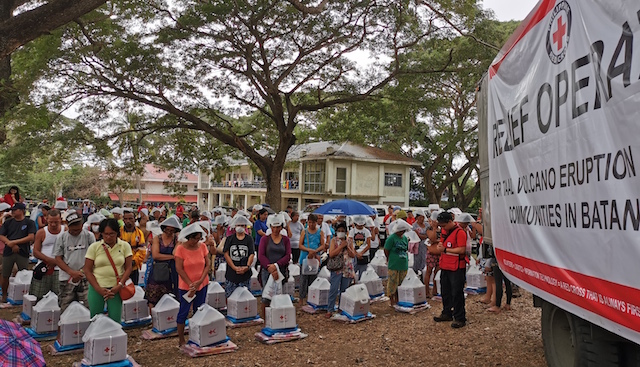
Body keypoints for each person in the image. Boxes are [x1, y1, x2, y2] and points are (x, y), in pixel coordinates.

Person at [84, 218, 133, 322]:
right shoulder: (94, 247)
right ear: (101, 233)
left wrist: (120, 285)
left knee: (115, 319)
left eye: (112, 234)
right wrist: (98, 289)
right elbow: (87, 270)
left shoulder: (124, 246)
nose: (108, 237)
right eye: (105, 234)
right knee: (95, 319)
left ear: (117, 233)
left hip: (116, 288)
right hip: (97, 287)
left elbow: (128, 267)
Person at [174, 223, 211, 347]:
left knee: (199, 310)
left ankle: (196, 335)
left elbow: (208, 264)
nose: (196, 241)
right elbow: (179, 269)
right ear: (188, 238)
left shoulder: (202, 247)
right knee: (183, 311)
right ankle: (181, 339)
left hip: (202, 283)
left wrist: (200, 281)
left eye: (198, 238)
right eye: (194, 238)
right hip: (186, 286)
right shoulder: (180, 249)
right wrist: (191, 284)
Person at [54, 212, 95, 312]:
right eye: (72, 230)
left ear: (82, 225)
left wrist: (82, 272)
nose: (75, 232)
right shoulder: (62, 238)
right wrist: (71, 272)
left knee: (88, 305)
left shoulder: (89, 236)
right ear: (68, 226)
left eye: (78, 229)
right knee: (65, 306)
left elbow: (94, 256)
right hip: (67, 278)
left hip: (85, 277)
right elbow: (58, 258)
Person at [433, 211, 468, 328]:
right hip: (445, 265)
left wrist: (446, 250)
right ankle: (446, 312)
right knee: (445, 291)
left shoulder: (460, 232)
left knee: (457, 292)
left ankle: (460, 317)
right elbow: (442, 244)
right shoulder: (444, 231)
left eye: (443, 225)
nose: (442, 228)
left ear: (449, 222)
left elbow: (462, 250)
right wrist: (439, 247)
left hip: (457, 267)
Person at [0, 202, 36, 303]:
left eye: (15, 210)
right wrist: (9, 243)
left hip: (23, 251)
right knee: (5, 274)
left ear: (21, 211)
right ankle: (4, 294)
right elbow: (1, 235)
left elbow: (31, 237)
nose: (13, 212)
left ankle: (24, 295)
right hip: (9, 251)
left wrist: (14, 242)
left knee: (23, 274)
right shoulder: (8, 222)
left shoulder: (29, 222)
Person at [258, 214, 291, 317]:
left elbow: (288, 255)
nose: (276, 230)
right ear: (270, 227)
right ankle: (265, 318)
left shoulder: (285, 240)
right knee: (266, 296)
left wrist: (276, 266)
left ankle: (277, 316)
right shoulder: (265, 239)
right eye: (274, 227)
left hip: (280, 270)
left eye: (278, 227)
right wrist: (270, 267)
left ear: (281, 227)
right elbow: (261, 255)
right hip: (267, 270)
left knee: (279, 295)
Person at [145, 216, 182, 307]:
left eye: (172, 230)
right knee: (153, 296)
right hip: (158, 269)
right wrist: (171, 257)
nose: (169, 232)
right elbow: (156, 255)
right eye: (167, 230)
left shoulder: (177, 239)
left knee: (172, 294)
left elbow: (175, 253)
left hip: (171, 271)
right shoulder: (157, 238)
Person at [30, 209, 64, 301]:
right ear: (46, 219)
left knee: (60, 296)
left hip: (61, 268)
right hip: (44, 266)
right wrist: (50, 260)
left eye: (56, 222)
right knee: (40, 295)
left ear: (60, 220)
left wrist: (57, 262)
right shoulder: (41, 232)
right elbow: (36, 252)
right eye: (51, 222)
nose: (53, 224)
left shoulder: (65, 231)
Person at [326, 222, 356, 317]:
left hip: (347, 268)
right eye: (339, 231)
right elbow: (331, 254)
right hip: (336, 268)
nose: (341, 233)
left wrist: (347, 246)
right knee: (334, 288)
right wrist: (341, 246)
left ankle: (341, 308)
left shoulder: (349, 241)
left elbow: (353, 255)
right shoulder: (334, 240)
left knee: (344, 290)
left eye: (343, 231)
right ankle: (330, 309)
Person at [223, 216, 255, 298]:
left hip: (245, 275)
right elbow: (226, 253)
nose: (240, 227)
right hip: (231, 274)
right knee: (230, 298)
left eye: (242, 225)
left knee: (245, 299)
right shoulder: (230, 239)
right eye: (238, 225)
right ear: (235, 226)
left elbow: (251, 253)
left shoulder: (249, 239)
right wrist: (234, 267)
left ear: (245, 226)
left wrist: (247, 267)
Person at [298, 213, 325, 304]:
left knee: (313, 278)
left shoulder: (320, 232)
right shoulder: (304, 231)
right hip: (305, 258)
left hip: (315, 258)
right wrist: (309, 250)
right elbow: (300, 245)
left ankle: (311, 297)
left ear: (316, 222)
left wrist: (315, 251)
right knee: (303, 279)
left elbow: (323, 245)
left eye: (313, 223)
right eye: (309, 222)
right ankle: (301, 297)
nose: (311, 225)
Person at [384, 219, 411, 307]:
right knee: (392, 282)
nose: (401, 232)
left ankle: (398, 298)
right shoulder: (391, 238)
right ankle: (392, 299)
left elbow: (406, 249)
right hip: (394, 264)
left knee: (401, 283)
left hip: (403, 264)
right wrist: (389, 258)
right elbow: (386, 250)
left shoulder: (405, 238)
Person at [120, 211, 146, 285]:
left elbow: (142, 251)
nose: (128, 221)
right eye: (126, 219)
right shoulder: (119, 232)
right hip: (120, 266)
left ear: (134, 219)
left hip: (134, 267)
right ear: (123, 220)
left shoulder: (139, 233)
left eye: (130, 218)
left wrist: (133, 262)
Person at [348, 215, 372, 280]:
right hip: (354, 255)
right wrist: (356, 253)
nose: (360, 226)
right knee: (351, 273)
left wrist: (361, 253)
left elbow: (368, 245)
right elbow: (350, 243)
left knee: (363, 275)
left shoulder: (367, 231)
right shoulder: (352, 231)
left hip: (364, 254)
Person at [425, 211, 441, 297]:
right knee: (429, 271)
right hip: (432, 253)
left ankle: (435, 290)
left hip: (439, 253)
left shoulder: (442, 229)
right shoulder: (429, 229)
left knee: (437, 272)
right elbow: (432, 239)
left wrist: (436, 241)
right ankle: (426, 291)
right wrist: (434, 228)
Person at [411, 210, 429, 277]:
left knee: (425, 257)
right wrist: (424, 236)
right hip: (418, 244)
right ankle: (416, 271)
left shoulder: (427, 224)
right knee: (417, 258)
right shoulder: (414, 225)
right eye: (420, 217)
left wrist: (424, 236)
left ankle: (423, 271)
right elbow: (417, 236)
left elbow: (429, 234)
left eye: (423, 217)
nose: (422, 219)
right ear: (417, 217)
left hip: (426, 244)